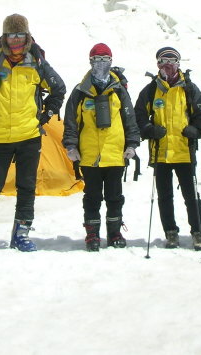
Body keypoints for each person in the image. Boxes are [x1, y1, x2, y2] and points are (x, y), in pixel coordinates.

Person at [0, 14, 66, 257]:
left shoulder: (37, 63)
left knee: (27, 186)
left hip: (29, 136)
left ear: (27, 36)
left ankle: (22, 233)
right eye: (11, 34)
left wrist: (45, 114)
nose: (16, 39)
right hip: (0, 137)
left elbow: (58, 88)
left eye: (20, 34)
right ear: (4, 37)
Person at [63, 43, 141, 251]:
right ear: (90, 62)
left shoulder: (118, 91)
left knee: (115, 197)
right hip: (89, 156)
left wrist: (132, 145)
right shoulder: (80, 91)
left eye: (105, 60)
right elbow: (71, 121)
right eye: (97, 60)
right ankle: (92, 235)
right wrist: (71, 146)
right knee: (92, 197)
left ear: (111, 62)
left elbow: (129, 119)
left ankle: (114, 232)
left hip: (115, 154)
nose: (100, 65)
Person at [135, 46, 201, 251]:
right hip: (161, 152)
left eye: (172, 60)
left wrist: (197, 129)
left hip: (184, 150)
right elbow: (139, 115)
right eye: (163, 60)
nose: (167, 64)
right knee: (164, 195)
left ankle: (198, 232)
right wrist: (149, 129)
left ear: (179, 63)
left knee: (191, 194)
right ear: (157, 64)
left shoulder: (189, 88)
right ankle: (171, 232)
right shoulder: (151, 90)